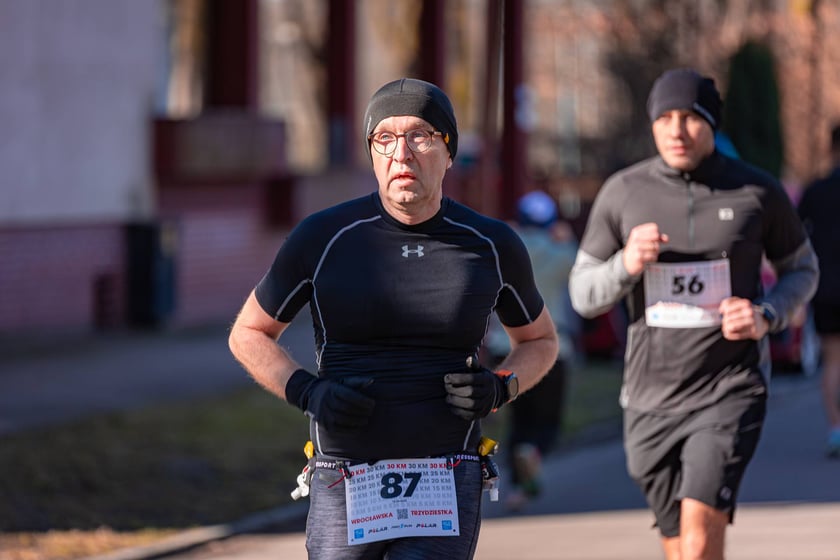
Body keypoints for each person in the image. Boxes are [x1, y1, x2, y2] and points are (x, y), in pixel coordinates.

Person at [228, 77, 559, 560]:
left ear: (448, 152)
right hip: (345, 472)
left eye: (421, 135)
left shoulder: (490, 244)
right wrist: (307, 390)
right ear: (371, 152)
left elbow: (541, 341)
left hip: (445, 473)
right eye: (385, 138)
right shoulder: (324, 237)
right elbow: (248, 333)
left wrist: (502, 385)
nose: (401, 153)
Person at [568, 68, 819, 560]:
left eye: (691, 119)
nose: (677, 131)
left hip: (729, 389)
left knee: (700, 540)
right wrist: (627, 264)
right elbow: (583, 294)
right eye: (665, 118)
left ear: (713, 124)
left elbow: (803, 269)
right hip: (648, 397)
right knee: (679, 546)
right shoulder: (623, 191)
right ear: (651, 124)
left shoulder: (756, 191)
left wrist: (767, 314)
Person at [483, 190, 578, 511]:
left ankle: (518, 488)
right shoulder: (561, 253)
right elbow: (579, 272)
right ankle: (534, 452)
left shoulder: (504, 250)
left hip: (503, 348)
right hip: (552, 348)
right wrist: (565, 239)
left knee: (519, 418)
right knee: (547, 421)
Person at [797, 123, 840, 458]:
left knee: (832, 361)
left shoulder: (816, 191)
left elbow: (794, 239)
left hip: (824, 289)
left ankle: (835, 429)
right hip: (825, 286)